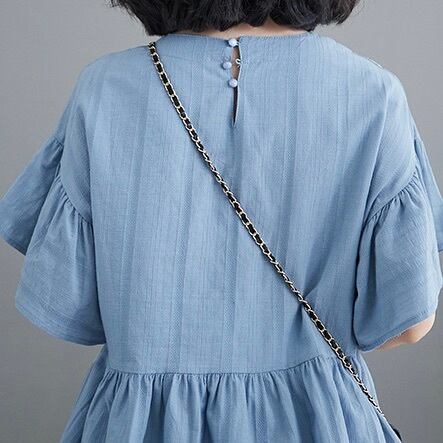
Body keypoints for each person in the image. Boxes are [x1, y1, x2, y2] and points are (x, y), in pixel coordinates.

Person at [0, 1, 441, 442]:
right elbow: (409, 324)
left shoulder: (103, 90)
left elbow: (68, 302)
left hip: (144, 425)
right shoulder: (374, 93)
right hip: (318, 420)